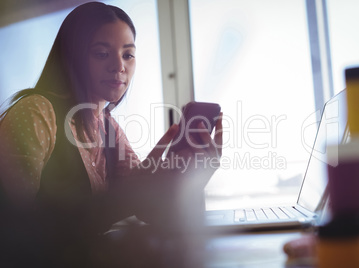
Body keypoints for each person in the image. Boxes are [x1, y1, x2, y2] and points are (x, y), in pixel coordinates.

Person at [0, 2, 222, 266]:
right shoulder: (37, 111)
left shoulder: (109, 127)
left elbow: (148, 209)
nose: (119, 66)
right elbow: (13, 223)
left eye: (128, 55)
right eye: (102, 53)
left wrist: (192, 176)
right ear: (71, 56)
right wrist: (128, 197)